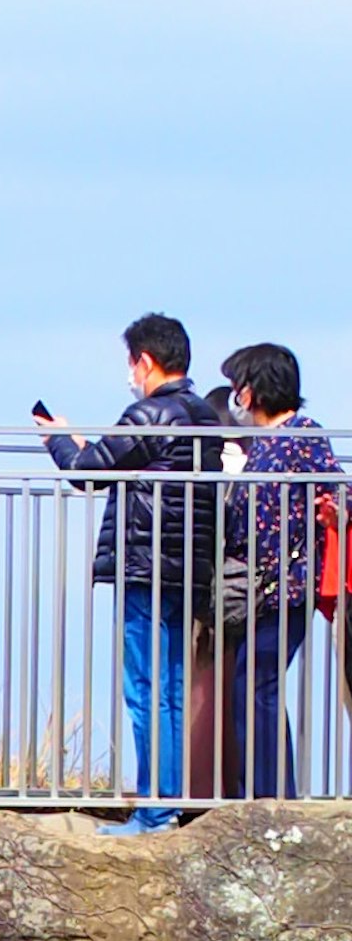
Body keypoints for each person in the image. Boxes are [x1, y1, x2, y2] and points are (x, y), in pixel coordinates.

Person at [35, 315, 221, 826]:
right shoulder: (205, 416)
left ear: (145, 360)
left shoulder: (149, 414)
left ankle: (156, 809)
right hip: (190, 564)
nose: (130, 375)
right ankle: (171, 801)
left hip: (145, 563)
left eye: (131, 364)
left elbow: (87, 471)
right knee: (173, 687)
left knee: (145, 687)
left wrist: (57, 438)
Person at [200, 342, 336, 802]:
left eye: (239, 386)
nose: (235, 396)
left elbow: (337, 489)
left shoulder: (303, 434)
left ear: (254, 390)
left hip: (286, 586)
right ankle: (261, 794)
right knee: (251, 687)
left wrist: (331, 510)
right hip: (262, 589)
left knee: (259, 686)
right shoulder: (266, 444)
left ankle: (272, 796)